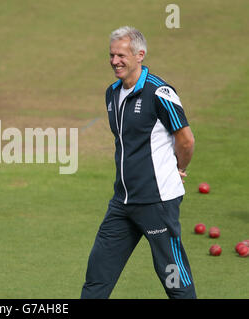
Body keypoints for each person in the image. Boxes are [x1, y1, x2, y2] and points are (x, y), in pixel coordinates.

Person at [81, 26, 196, 299]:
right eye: (111, 55)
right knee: (97, 276)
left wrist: (179, 169)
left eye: (121, 55)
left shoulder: (160, 93)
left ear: (139, 55)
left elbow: (186, 140)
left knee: (173, 279)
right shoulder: (112, 93)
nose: (114, 61)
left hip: (157, 203)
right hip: (122, 203)